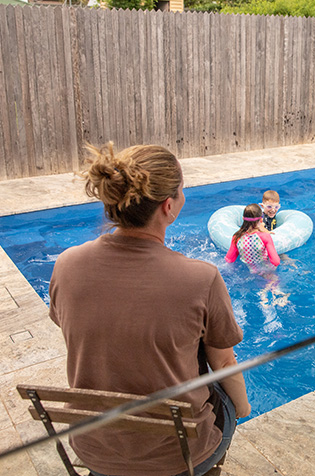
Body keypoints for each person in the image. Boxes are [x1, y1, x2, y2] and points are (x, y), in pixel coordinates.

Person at [48, 142, 251, 476]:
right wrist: (241, 410)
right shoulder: (201, 278)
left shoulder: (67, 264)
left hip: (96, 450)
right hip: (179, 458)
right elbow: (225, 363)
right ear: (169, 206)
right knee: (220, 382)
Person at [225, 203, 280, 273]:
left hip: (248, 270)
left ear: (243, 219)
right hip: (266, 269)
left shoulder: (237, 236)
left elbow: (229, 259)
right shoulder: (265, 236)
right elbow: (276, 261)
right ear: (261, 220)